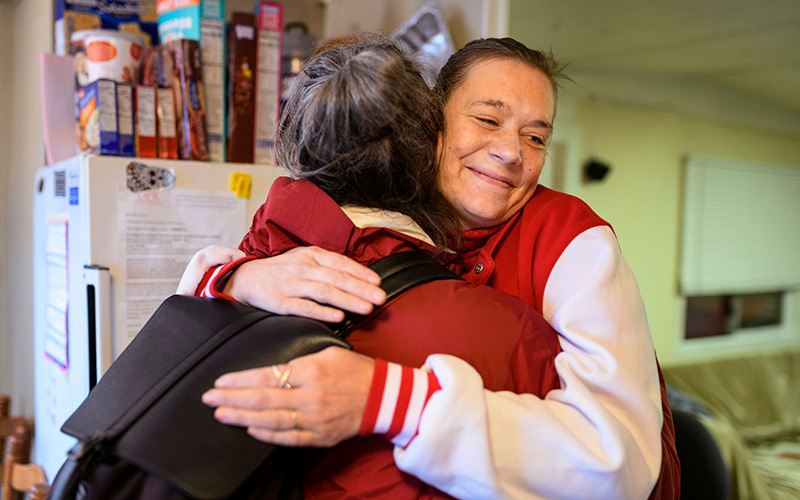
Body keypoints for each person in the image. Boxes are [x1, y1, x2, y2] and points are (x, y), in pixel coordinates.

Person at [193, 37, 680, 499]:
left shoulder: (572, 241)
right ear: (433, 126)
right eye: (489, 120)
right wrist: (240, 279)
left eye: (535, 137)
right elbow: (196, 306)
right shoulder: (383, 205)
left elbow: (620, 465)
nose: (511, 152)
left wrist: (390, 399)